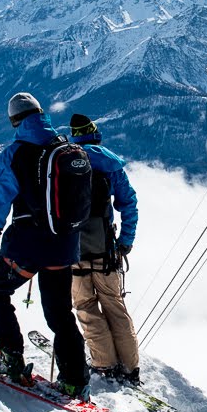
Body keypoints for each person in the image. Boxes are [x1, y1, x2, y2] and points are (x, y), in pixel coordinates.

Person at [0, 92, 90, 399]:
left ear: (14, 121)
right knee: (60, 313)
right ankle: (76, 379)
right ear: (41, 114)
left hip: (26, 247)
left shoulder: (14, 154)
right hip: (65, 244)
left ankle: (9, 358)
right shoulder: (67, 148)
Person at [67, 113, 142, 384]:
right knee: (115, 306)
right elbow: (129, 204)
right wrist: (126, 241)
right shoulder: (111, 166)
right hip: (106, 252)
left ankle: (103, 364)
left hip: (74, 252)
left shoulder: (65, 162)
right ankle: (130, 367)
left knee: (86, 306)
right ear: (96, 135)